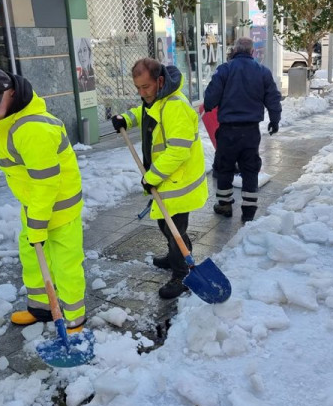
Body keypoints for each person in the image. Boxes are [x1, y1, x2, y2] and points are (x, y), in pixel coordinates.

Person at [0, 68, 86, 330]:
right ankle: (41, 308)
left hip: (60, 208)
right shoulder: (6, 119)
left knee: (65, 264)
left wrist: (37, 222)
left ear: (11, 93)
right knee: (33, 257)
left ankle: (74, 319)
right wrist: (34, 219)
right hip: (34, 206)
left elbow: (46, 183)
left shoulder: (33, 128)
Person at [111, 58, 208, 300]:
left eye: (146, 87)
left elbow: (178, 151)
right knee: (165, 224)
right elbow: (146, 113)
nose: (142, 93)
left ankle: (182, 273)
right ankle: (174, 257)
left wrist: (151, 177)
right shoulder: (158, 100)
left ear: (160, 81)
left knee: (175, 228)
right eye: (138, 88)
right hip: (167, 179)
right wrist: (127, 119)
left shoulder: (175, 107)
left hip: (180, 182)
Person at [203, 37, 282, 223]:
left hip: (228, 131)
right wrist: (274, 120)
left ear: (234, 51)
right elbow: (273, 98)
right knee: (250, 168)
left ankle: (224, 205)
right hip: (250, 131)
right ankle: (249, 210)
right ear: (252, 52)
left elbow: (210, 100)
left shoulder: (224, 70)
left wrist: (210, 106)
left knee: (224, 168)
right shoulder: (262, 72)